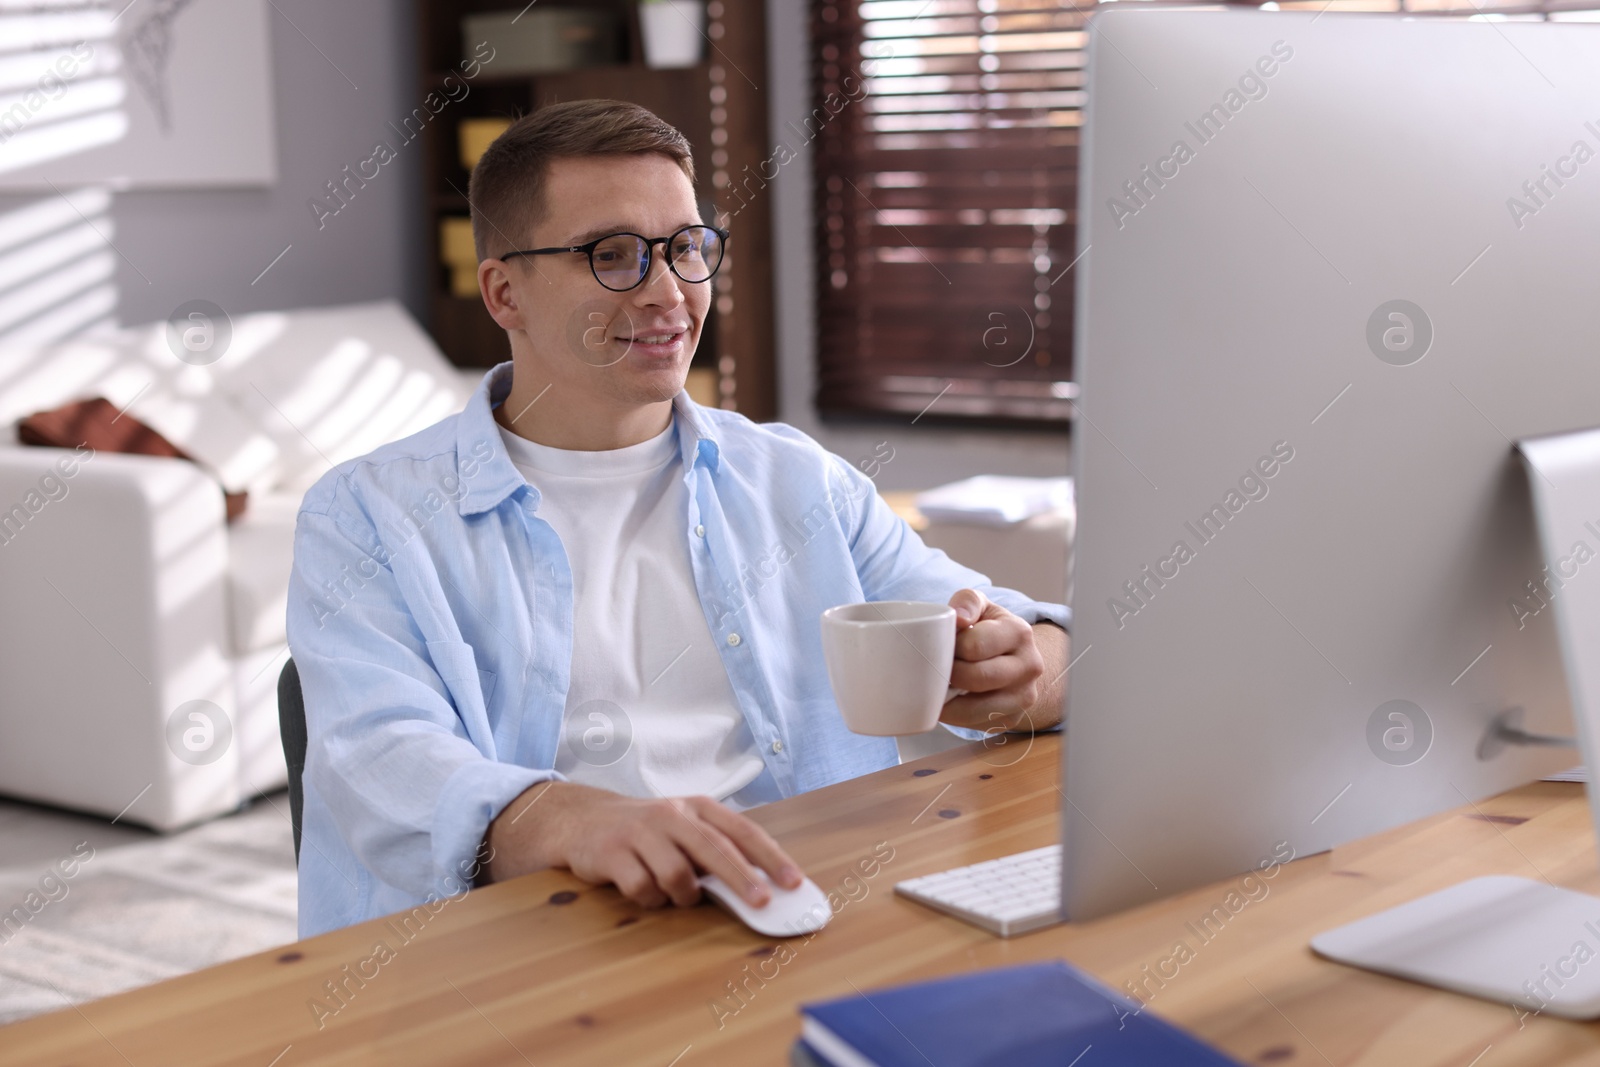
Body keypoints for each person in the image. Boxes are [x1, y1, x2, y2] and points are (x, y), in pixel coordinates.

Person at [285, 99, 1071, 938]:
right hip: (518, 949)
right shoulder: (365, 513)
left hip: (800, 909)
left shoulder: (799, 480)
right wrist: (570, 820)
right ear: (504, 291)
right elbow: (379, 754)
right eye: (612, 254)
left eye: (687, 249)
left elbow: (1031, 642)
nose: (669, 293)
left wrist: (1024, 670)